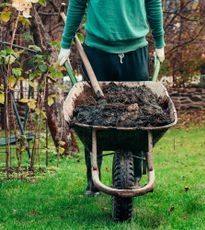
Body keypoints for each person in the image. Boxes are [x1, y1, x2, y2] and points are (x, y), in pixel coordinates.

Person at [57, 0, 165, 196]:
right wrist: (66, 42)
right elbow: (78, 3)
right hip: (97, 51)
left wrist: (159, 41)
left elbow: (153, 3)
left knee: (140, 114)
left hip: (135, 50)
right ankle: (93, 181)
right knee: (91, 116)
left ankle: (137, 174)